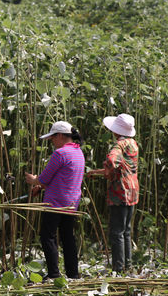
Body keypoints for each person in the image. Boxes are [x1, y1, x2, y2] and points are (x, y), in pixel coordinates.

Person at [25, 121, 85, 280]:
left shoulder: (60, 153)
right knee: (68, 237)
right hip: (72, 203)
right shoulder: (78, 152)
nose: (52, 141)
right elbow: (63, 178)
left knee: (47, 236)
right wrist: (41, 186)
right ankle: (73, 273)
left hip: (55, 203)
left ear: (59, 136)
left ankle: (54, 273)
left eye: (52, 138)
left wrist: (33, 180)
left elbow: (44, 178)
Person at [86, 113, 139, 273]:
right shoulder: (133, 143)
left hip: (120, 190)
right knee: (126, 231)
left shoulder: (119, 145)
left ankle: (118, 267)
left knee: (116, 232)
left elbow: (111, 161)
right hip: (132, 189)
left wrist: (107, 170)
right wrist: (96, 172)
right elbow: (122, 167)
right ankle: (127, 266)